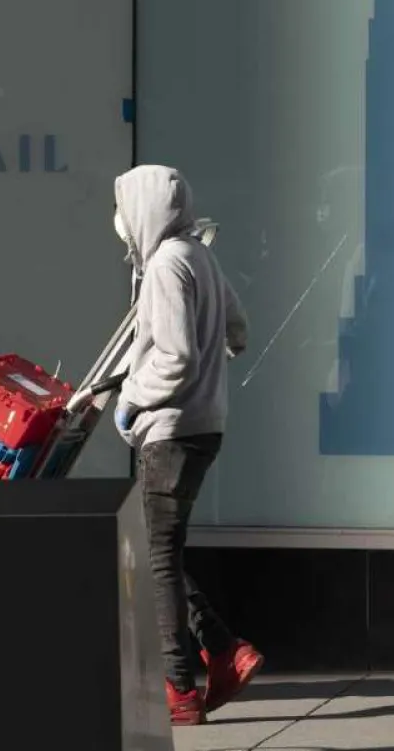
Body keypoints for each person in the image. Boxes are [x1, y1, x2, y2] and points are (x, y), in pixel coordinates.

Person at [110, 164, 264, 726]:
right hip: (204, 426)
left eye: (125, 212)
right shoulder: (199, 255)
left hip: (170, 432)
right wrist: (210, 365)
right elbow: (237, 327)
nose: (122, 226)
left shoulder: (166, 266)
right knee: (163, 553)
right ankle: (224, 649)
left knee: (156, 563)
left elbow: (173, 358)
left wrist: (133, 398)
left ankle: (181, 688)